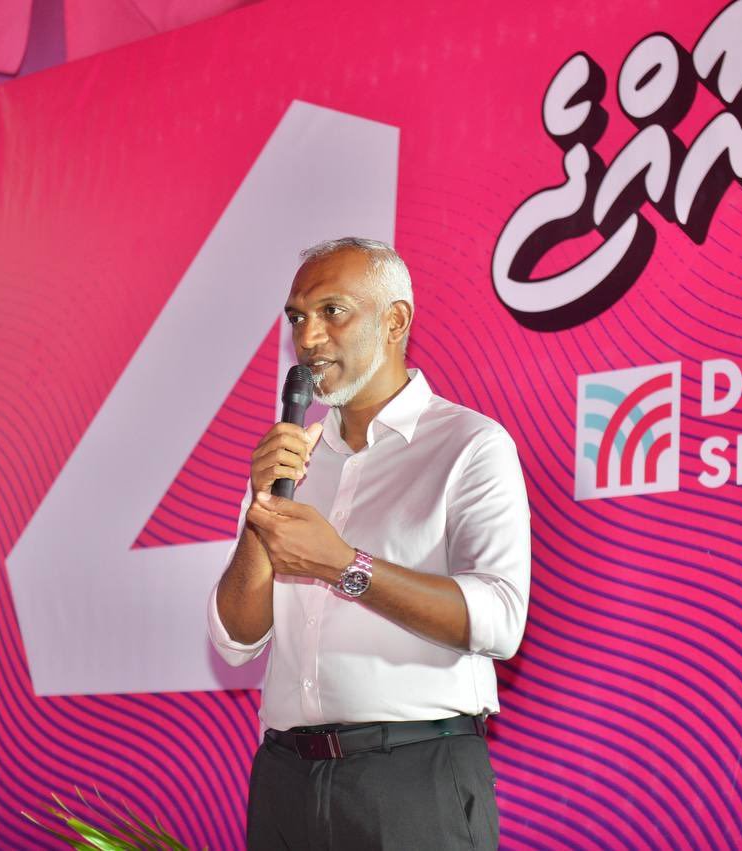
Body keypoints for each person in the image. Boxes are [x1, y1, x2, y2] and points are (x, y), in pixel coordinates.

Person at [207, 237, 531, 850]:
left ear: (395, 321)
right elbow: (235, 639)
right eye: (297, 317)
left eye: (332, 311)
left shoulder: (469, 445)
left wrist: (343, 565)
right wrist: (260, 510)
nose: (307, 337)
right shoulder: (293, 459)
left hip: (411, 779)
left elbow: (500, 620)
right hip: (284, 780)